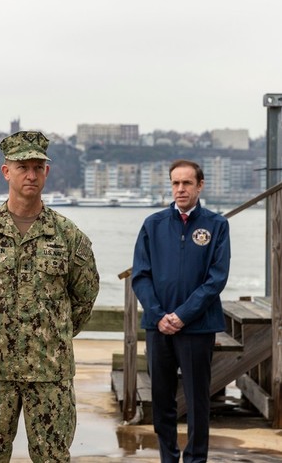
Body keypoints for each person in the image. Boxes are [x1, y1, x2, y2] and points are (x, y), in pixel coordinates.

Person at [0, 130, 100, 463]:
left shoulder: (68, 235)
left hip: (49, 372)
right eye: (22, 167)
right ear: (6, 172)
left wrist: (52, 335)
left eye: (37, 167)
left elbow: (85, 295)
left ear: (47, 172)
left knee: (53, 457)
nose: (30, 174)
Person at [131, 159, 230, 463]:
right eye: (175, 183)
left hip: (198, 328)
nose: (180, 189)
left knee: (198, 399)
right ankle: (168, 457)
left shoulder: (216, 225)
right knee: (162, 399)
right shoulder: (153, 224)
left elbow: (216, 279)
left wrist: (183, 315)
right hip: (158, 327)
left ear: (200, 185)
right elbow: (141, 275)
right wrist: (160, 315)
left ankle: (195, 459)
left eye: (187, 183)